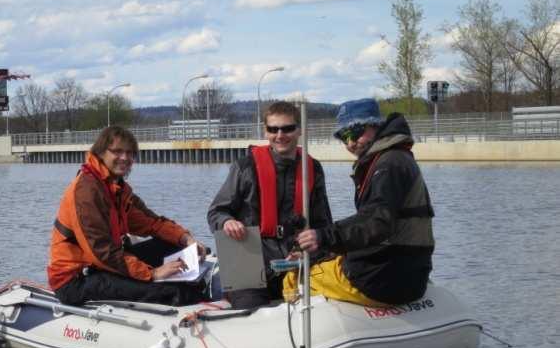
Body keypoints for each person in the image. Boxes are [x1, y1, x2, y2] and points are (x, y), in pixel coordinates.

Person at [288, 98, 434, 306]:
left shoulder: (388, 165)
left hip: (383, 278)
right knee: (325, 260)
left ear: (375, 126)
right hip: (408, 271)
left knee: (292, 278)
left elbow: (376, 223)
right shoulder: (394, 158)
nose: (349, 143)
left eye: (355, 133)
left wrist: (323, 236)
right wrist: (325, 247)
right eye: (342, 137)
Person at [47, 126, 207, 306]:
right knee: (174, 292)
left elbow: (152, 223)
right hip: (76, 280)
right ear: (101, 153)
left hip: (102, 266)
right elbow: (101, 252)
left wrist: (186, 240)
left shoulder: (117, 189)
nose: (125, 158)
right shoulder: (87, 191)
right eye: (117, 151)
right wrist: (152, 274)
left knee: (173, 244)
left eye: (130, 153)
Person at [207, 100, 332, 309]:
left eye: (287, 128)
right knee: (251, 309)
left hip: (295, 258)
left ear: (299, 130)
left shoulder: (313, 168)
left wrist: (311, 250)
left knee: (320, 305)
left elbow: (323, 224)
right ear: (266, 132)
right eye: (273, 129)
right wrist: (227, 222)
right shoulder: (245, 167)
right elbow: (216, 212)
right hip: (246, 256)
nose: (280, 135)